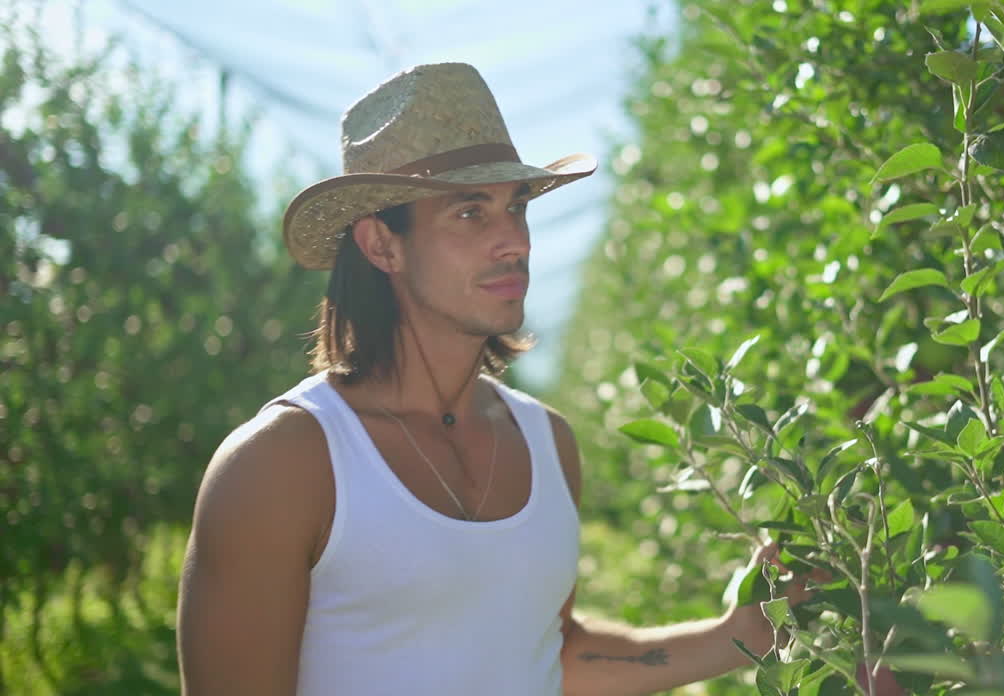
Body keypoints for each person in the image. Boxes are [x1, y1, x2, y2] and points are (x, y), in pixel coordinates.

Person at [176, 62, 816, 696]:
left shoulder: (546, 443)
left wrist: (745, 633)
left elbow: (548, 656)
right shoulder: (284, 464)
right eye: (469, 213)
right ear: (381, 246)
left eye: (517, 209)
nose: (515, 240)